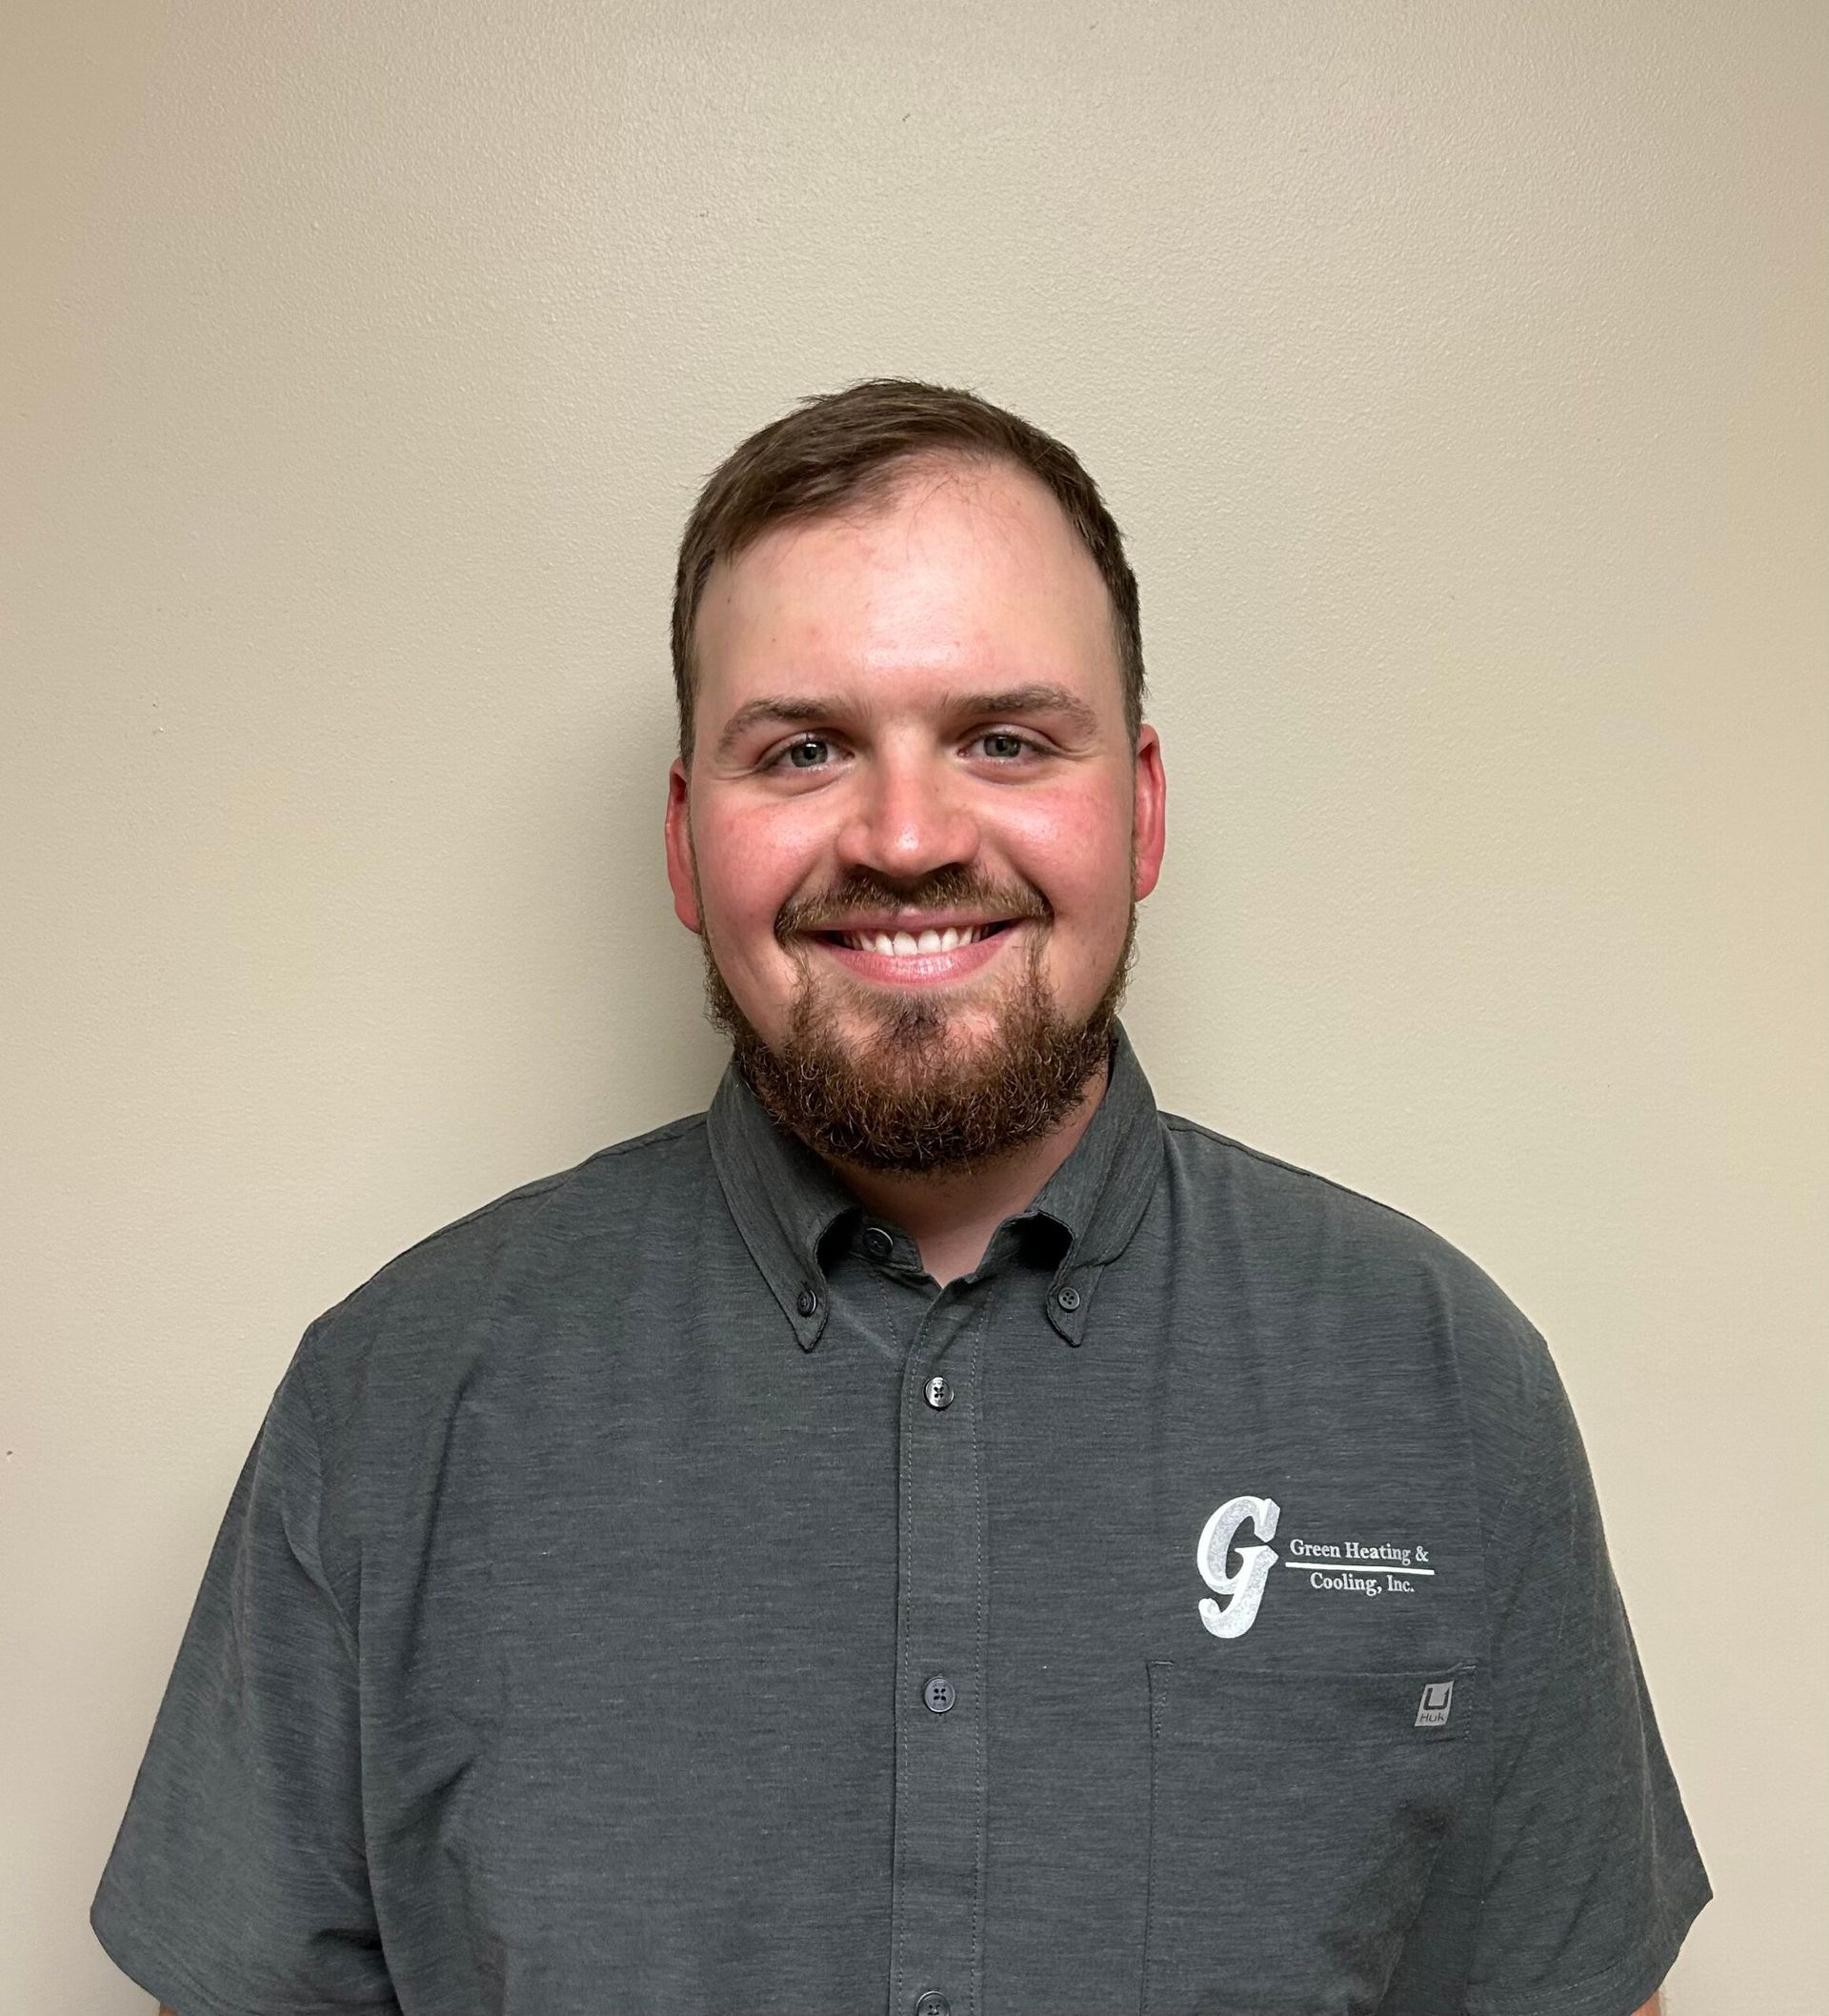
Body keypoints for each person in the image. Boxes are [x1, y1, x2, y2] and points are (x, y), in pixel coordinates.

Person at [93, 378, 1708, 2016]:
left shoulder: (1441, 1383)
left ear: (1141, 808)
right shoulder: (391, 1403)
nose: (909, 836)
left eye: (1005, 740)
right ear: (685, 839)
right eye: (803, 750)